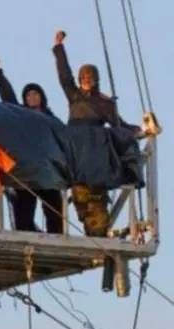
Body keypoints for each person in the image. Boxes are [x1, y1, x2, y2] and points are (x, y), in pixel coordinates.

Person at [51, 30, 143, 238]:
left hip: (93, 151)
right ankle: (92, 228)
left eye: (90, 78)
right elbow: (64, 76)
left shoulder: (104, 103)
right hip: (76, 147)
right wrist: (58, 48)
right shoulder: (74, 96)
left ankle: (98, 231)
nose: (86, 81)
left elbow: (117, 123)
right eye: (83, 78)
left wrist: (133, 129)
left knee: (94, 193)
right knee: (80, 194)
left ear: (95, 80)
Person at [0, 57, 64, 234]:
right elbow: (8, 98)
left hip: (46, 168)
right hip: (27, 168)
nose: (32, 97)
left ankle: (55, 236)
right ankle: (25, 233)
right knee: (23, 208)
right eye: (28, 95)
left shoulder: (51, 119)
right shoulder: (21, 116)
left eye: (35, 94)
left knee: (53, 208)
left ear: (42, 97)